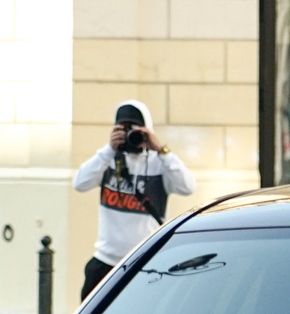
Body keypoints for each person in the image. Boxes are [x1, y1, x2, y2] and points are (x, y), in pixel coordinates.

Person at [71, 101, 196, 297]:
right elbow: (79, 183)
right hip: (106, 262)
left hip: (145, 262)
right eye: (123, 129)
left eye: (136, 130)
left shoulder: (159, 164)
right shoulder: (108, 161)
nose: (131, 137)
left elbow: (188, 187)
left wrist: (161, 150)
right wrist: (109, 150)